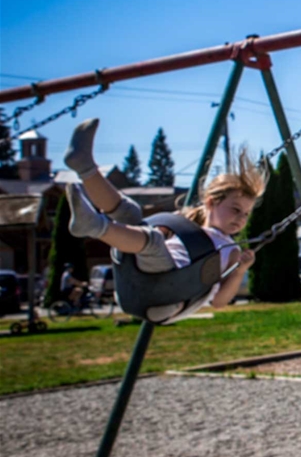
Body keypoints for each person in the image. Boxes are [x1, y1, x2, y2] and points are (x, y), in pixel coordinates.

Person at [62, 118, 262, 320]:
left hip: (169, 295)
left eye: (246, 213)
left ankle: (93, 225)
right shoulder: (186, 225)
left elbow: (219, 302)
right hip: (141, 277)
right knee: (130, 213)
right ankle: (85, 166)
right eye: (235, 209)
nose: (241, 218)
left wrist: (239, 271)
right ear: (210, 202)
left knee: (153, 241)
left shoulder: (231, 250)